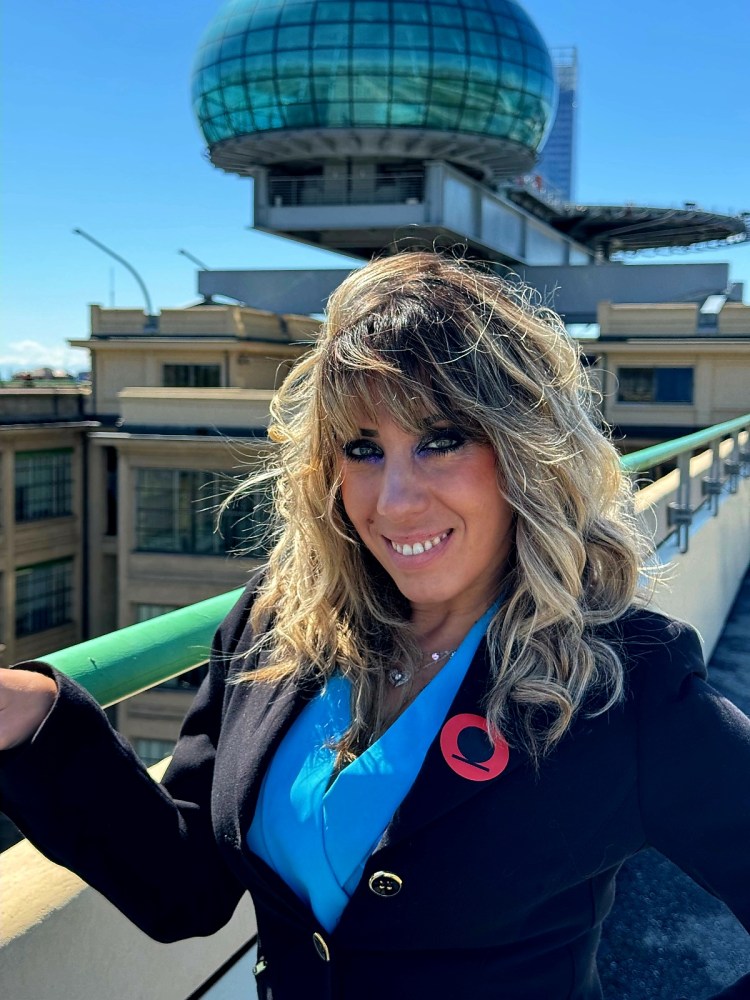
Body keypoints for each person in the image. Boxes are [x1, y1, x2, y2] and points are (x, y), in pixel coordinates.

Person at [1, 251, 748, 1000]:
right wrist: (31, 715)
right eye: (363, 449)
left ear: (527, 450)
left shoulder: (622, 683)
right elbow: (185, 889)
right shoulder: (278, 624)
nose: (393, 500)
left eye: (442, 438)